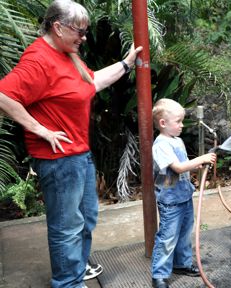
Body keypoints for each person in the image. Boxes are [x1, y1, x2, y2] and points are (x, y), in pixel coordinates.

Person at [0, 0, 142, 287]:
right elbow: (4, 95)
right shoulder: (38, 59)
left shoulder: (68, 54)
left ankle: (76, 271)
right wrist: (40, 129)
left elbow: (91, 82)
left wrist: (126, 64)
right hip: (58, 160)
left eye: (85, 31)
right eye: (79, 31)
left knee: (87, 219)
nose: (84, 37)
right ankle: (67, 282)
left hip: (79, 155)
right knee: (67, 227)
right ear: (57, 26)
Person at [151, 98, 216, 288]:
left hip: (183, 196)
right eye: (178, 121)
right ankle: (159, 275)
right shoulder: (161, 145)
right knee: (167, 237)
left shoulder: (176, 140)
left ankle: (182, 264)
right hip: (170, 200)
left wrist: (199, 167)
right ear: (163, 123)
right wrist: (201, 158)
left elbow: (185, 167)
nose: (181, 125)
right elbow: (178, 168)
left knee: (184, 234)